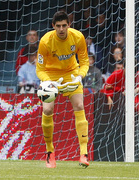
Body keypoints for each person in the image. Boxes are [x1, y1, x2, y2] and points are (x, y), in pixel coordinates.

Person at [36, 11, 89, 168]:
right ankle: (50, 153)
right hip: (50, 76)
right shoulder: (45, 41)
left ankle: (84, 154)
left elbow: (85, 61)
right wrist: (49, 82)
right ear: (53, 26)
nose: (61, 29)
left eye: (64, 26)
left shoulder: (78, 37)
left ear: (69, 25)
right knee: (47, 110)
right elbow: (39, 69)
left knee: (79, 105)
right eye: (58, 26)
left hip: (71, 74)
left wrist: (79, 76)